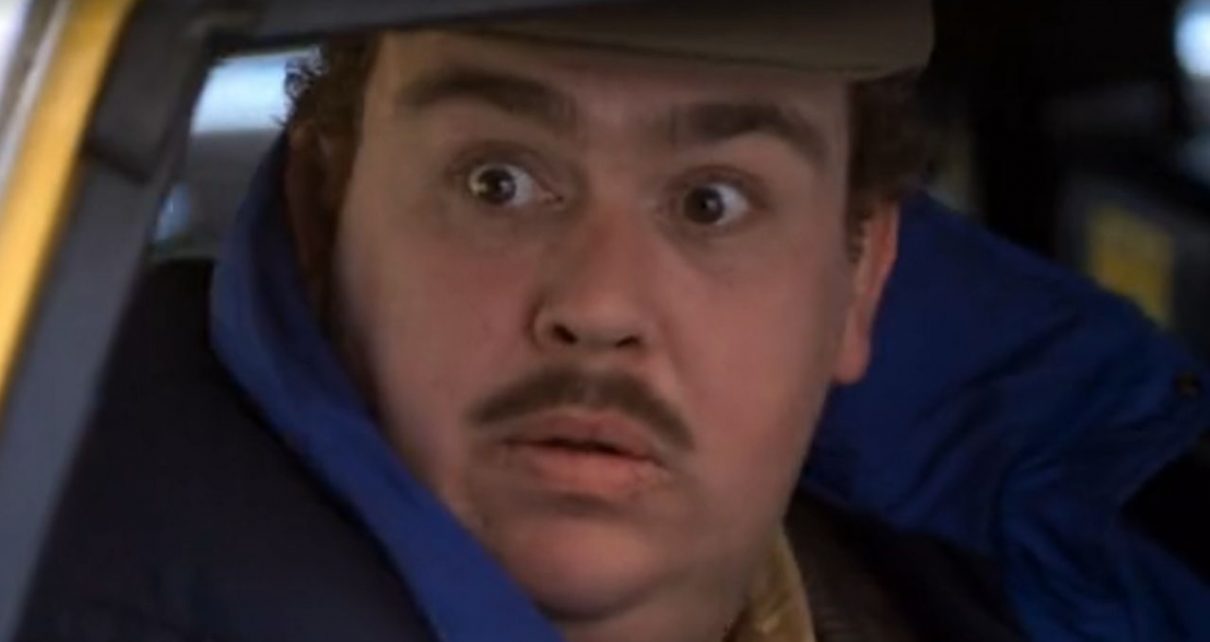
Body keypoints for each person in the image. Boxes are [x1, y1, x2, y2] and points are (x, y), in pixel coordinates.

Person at [16, 2, 1210, 641]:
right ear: (324, 215)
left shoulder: (1057, 580)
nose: (596, 307)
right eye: (498, 182)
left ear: (861, 281)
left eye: (710, 202)